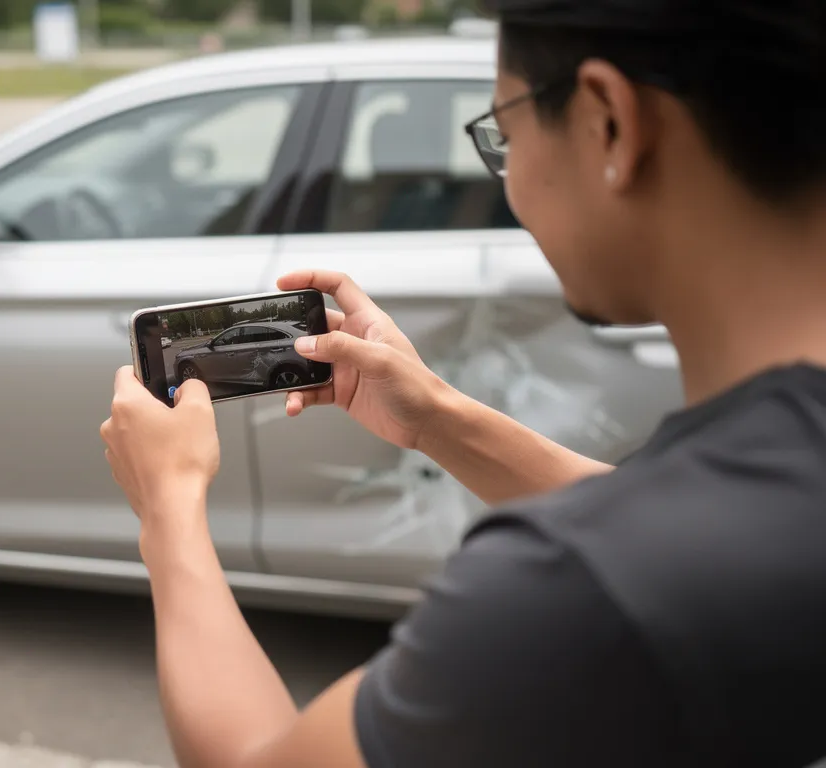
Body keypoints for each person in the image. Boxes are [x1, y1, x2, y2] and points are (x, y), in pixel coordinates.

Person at [99, 0, 826, 766]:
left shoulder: (573, 588)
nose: (510, 182)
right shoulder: (753, 512)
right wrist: (433, 416)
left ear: (607, 121)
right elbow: (694, 535)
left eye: (504, 136)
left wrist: (170, 508)